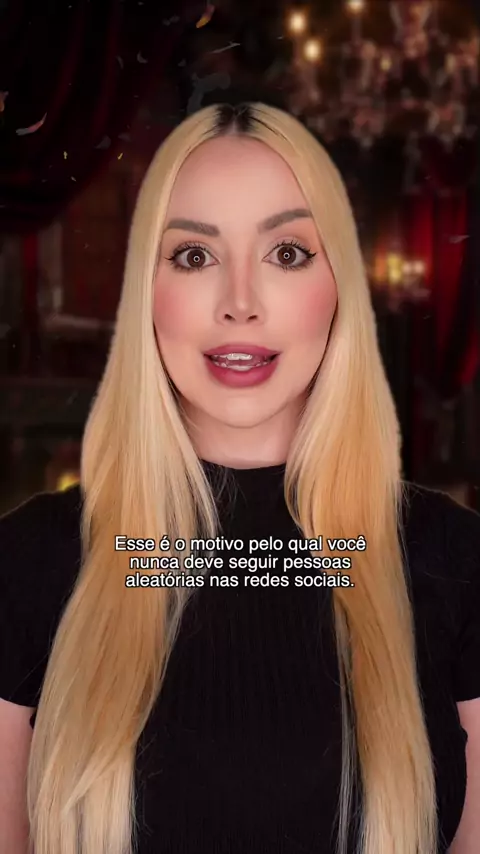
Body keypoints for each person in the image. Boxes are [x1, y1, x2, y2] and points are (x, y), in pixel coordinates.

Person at [0, 101, 479, 854]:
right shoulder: (28, 562)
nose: (240, 305)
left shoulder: (456, 560)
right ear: (146, 291)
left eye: (287, 252)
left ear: (339, 288)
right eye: (194, 256)